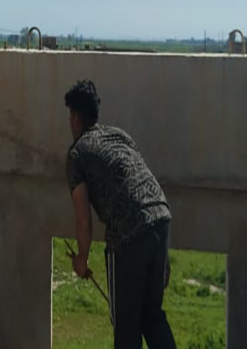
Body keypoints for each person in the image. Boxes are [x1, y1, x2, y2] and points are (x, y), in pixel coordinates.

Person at [63, 79, 176, 349]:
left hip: (128, 234)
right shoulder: (119, 135)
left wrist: (81, 259)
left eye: (70, 116)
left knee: (126, 326)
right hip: (160, 218)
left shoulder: (77, 154)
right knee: (152, 315)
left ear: (76, 118)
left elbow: (83, 222)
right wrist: (163, 259)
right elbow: (140, 186)